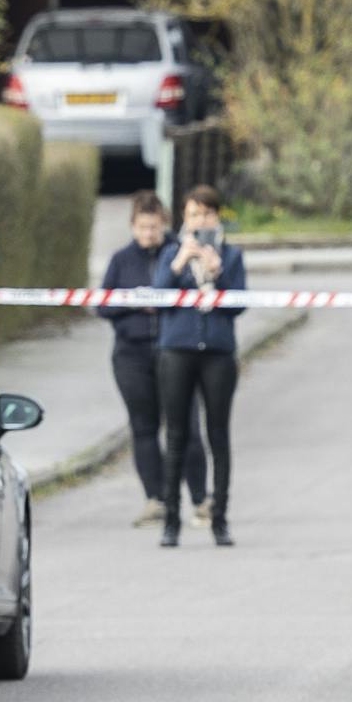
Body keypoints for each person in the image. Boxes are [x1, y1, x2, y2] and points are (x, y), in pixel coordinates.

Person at [155, 185, 244, 549]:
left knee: (218, 435)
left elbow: (238, 303)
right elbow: (159, 297)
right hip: (177, 351)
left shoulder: (232, 255)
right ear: (184, 219)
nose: (200, 221)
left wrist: (217, 273)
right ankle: (171, 520)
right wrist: (180, 264)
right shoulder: (170, 252)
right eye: (193, 215)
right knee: (176, 435)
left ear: (217, 217)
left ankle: (219, 518)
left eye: (206, 214)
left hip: (218, 353)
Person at [97, 192, 176, 527]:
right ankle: (154, 498)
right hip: (131, 352)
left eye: (154, 227)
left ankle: (193, 497)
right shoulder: (121, 260)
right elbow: (102, 305)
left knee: (181, 426)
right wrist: (134, 302)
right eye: (142, 227)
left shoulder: (177, 253)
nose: (148, 234)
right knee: (143, 427)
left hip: (172, 350)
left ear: (165, 225)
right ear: (132, 226)